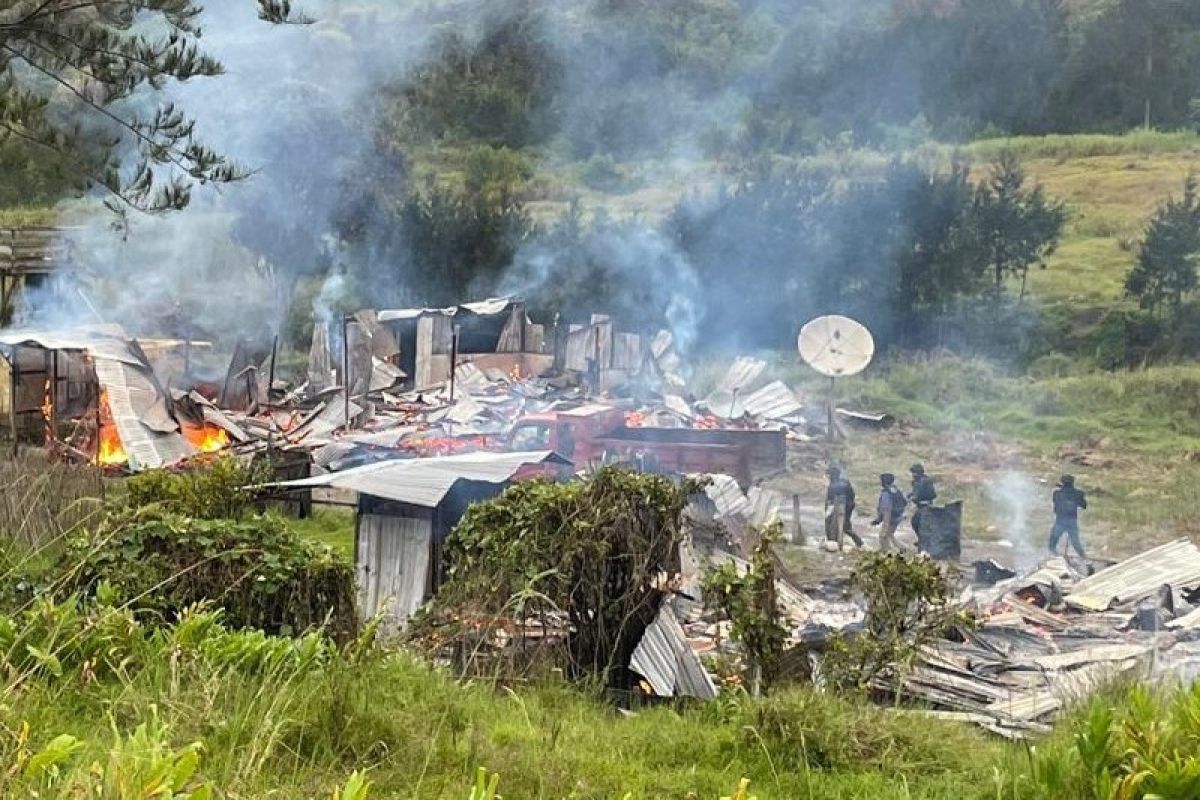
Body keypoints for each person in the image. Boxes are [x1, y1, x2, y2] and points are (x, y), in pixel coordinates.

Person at [1048, 474, 1088, 558]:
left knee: (1052, 543)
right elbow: (1084, 505)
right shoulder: (1077, 493)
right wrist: (1079, 495)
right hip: (1071, 521)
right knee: (1076, 543)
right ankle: (1085, 559)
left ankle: (1053, 557)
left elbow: (1056, 503)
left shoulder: (1057, 493)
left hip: (1060, 521)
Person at [825, 466, 864, 549]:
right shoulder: (846, 482)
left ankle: (832, 542)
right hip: (849, 505)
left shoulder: (832, 486)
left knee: (830, 523)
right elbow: (852, 494)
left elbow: (829, 501)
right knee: (845, 524)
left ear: (831, 475)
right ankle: (858, 541)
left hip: (839, 506)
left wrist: (827, 510)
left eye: (828, 475)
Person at [871, 473, 908, 552]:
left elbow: (885, 509)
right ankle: (901, 548)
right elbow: (904, 502)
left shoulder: (886, 493)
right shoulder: (896, 490)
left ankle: (886, 551)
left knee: (883, 536)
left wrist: (879, 520)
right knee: (890, 534)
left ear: (884, 482)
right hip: (898, 515)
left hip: (889, 517)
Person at [908, 463, 937, 539]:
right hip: (920, 506)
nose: (913, 475)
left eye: (914, 472)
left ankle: (924, 539)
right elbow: (915, 492)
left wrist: (914, 498)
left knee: (917, 522)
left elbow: (931, 494)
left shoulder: (924, 481)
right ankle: (922, 539)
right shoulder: (916, 481)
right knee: (917, 523)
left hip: (926, 505)